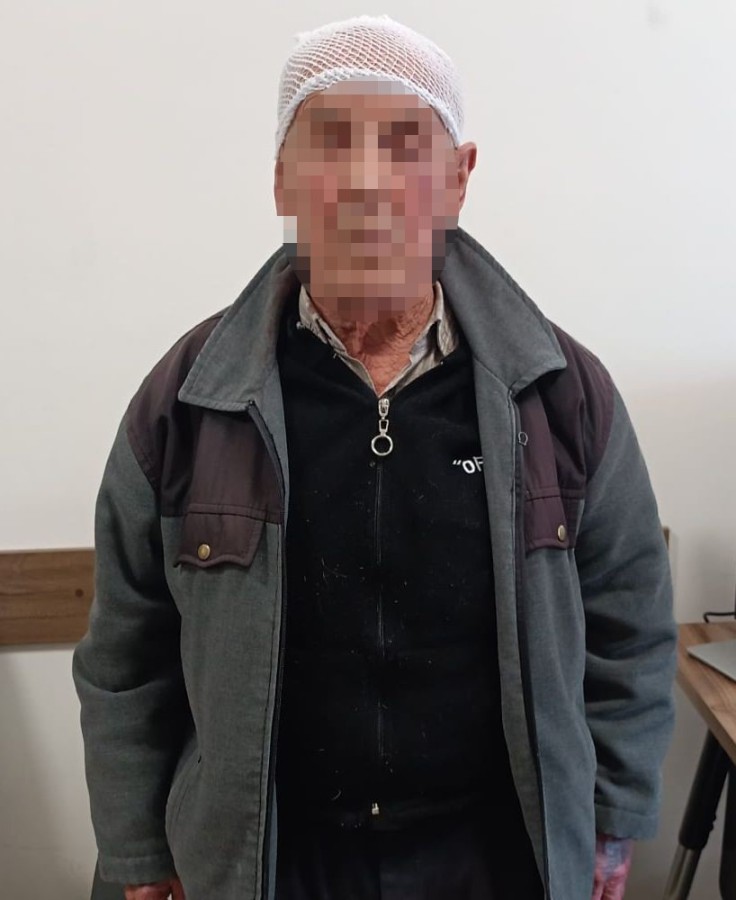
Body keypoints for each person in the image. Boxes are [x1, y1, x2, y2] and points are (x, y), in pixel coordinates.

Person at [73, 15, 677, 900]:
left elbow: (629, 627)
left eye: (403, 143)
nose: (365, 180)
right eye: (329, 142)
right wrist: (138, 853)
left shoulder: (561, 394)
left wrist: (611, 818)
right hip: (271, 859)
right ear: (282, 179)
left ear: (458, 177)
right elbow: (126, 657)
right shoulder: (191, 400)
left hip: (494, 856)